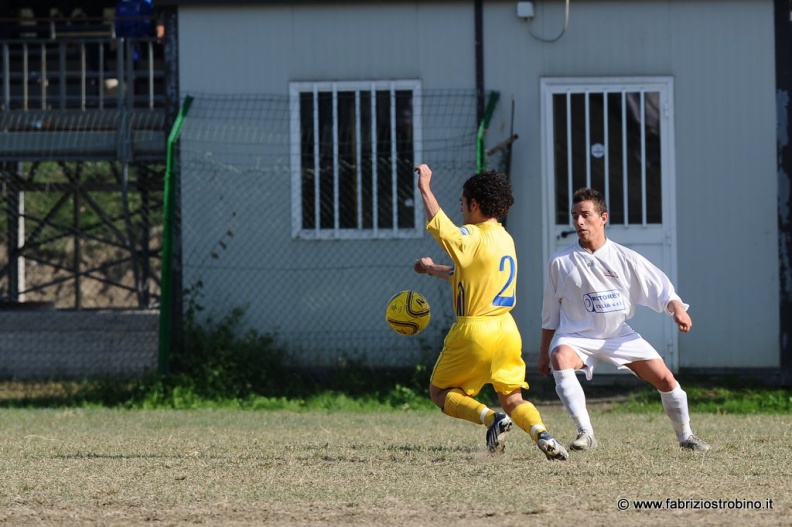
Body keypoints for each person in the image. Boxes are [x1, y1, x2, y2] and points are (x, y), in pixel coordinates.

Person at [413, 163, 568, 460]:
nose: (460, 210)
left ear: (475, 204)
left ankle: (490, 419)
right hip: (506, 330)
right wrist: (434, 269)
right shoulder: (503, 237)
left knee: (440, 391)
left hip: (475, 330)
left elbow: (442, 228)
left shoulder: (472, 236)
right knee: (512, 397)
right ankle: (541, 433)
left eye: (462, 203)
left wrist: (425, 188)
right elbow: (471, 273)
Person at [538, 187, 710, 452]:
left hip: (618, 335)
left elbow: (661, 289)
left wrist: (677, 308)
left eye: (585, 215)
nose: (579, 222)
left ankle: (686, 437)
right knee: (559, 357)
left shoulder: (625, 258)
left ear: (603, 217)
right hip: (576, 337)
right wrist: (543, 353)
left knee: (666, 380)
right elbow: (550, 312)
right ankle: (586, 433)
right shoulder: (559, 261)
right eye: (575, 216)